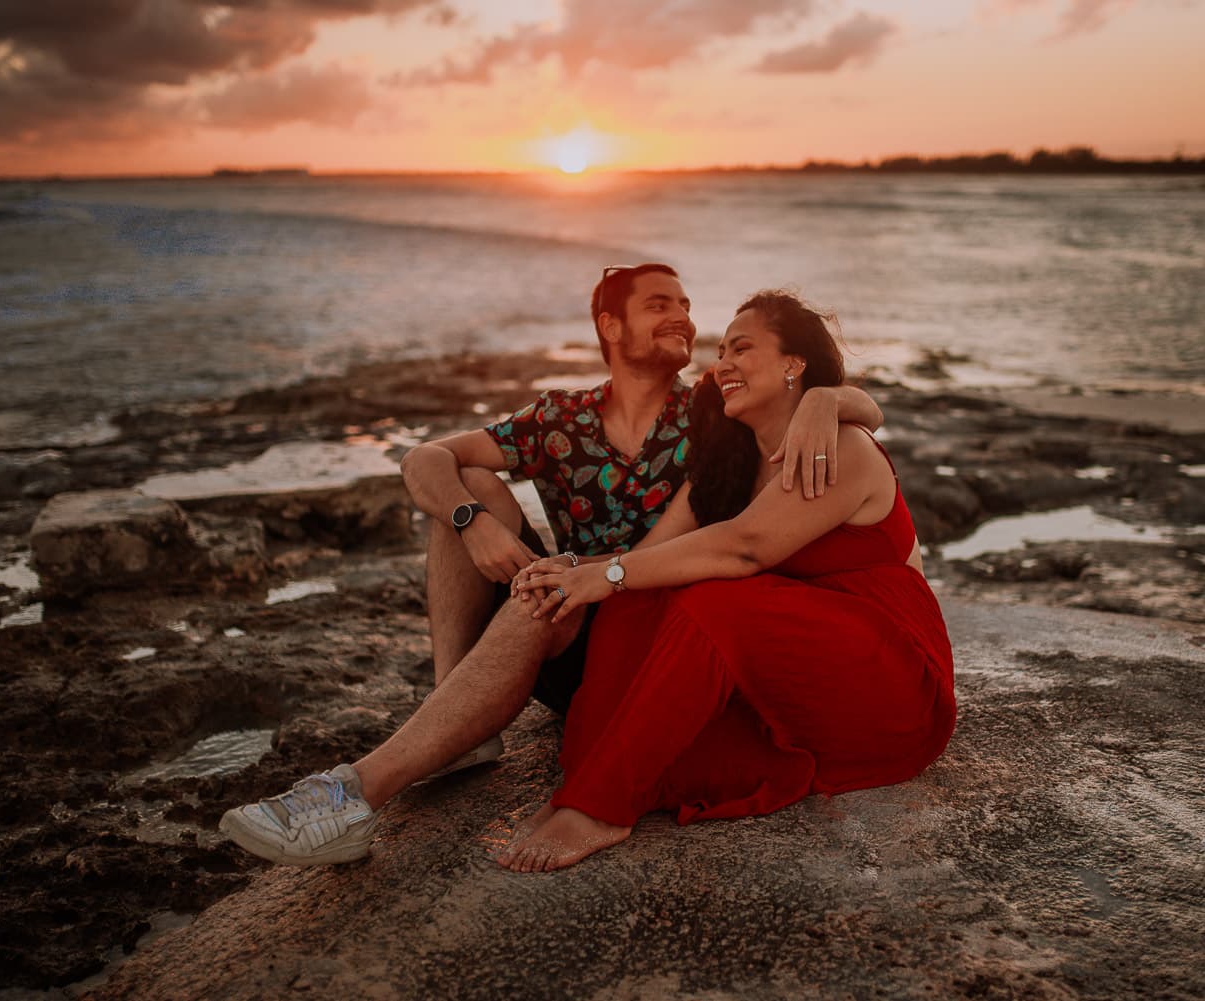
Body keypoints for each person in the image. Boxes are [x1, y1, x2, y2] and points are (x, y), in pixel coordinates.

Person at [219, 265, 884, 866]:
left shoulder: (713, 411)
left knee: (542, 593)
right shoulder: (562, 417)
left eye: (686, 303)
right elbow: (424, 459)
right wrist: (470, 523)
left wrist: (830, 398)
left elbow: (832, 408)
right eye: (660, 304)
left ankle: (355, 792)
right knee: (470, 483)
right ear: (610, 324)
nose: (683, 316)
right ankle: (460, 723)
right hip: (585, 605)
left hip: (646, 613)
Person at [497, 290, 956, 872]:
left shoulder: (843, 447)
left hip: (888, 684)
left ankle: (602, 807)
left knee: (712, 600)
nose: (723, 364)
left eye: (743, 347)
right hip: (800, 673)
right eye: (721, 352)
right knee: (637, 599)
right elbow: (653, 556)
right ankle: (592, 777)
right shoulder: (731, 461)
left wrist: (833, 401)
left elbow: (745, 548)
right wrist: (580, 570)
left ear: (794, 364)